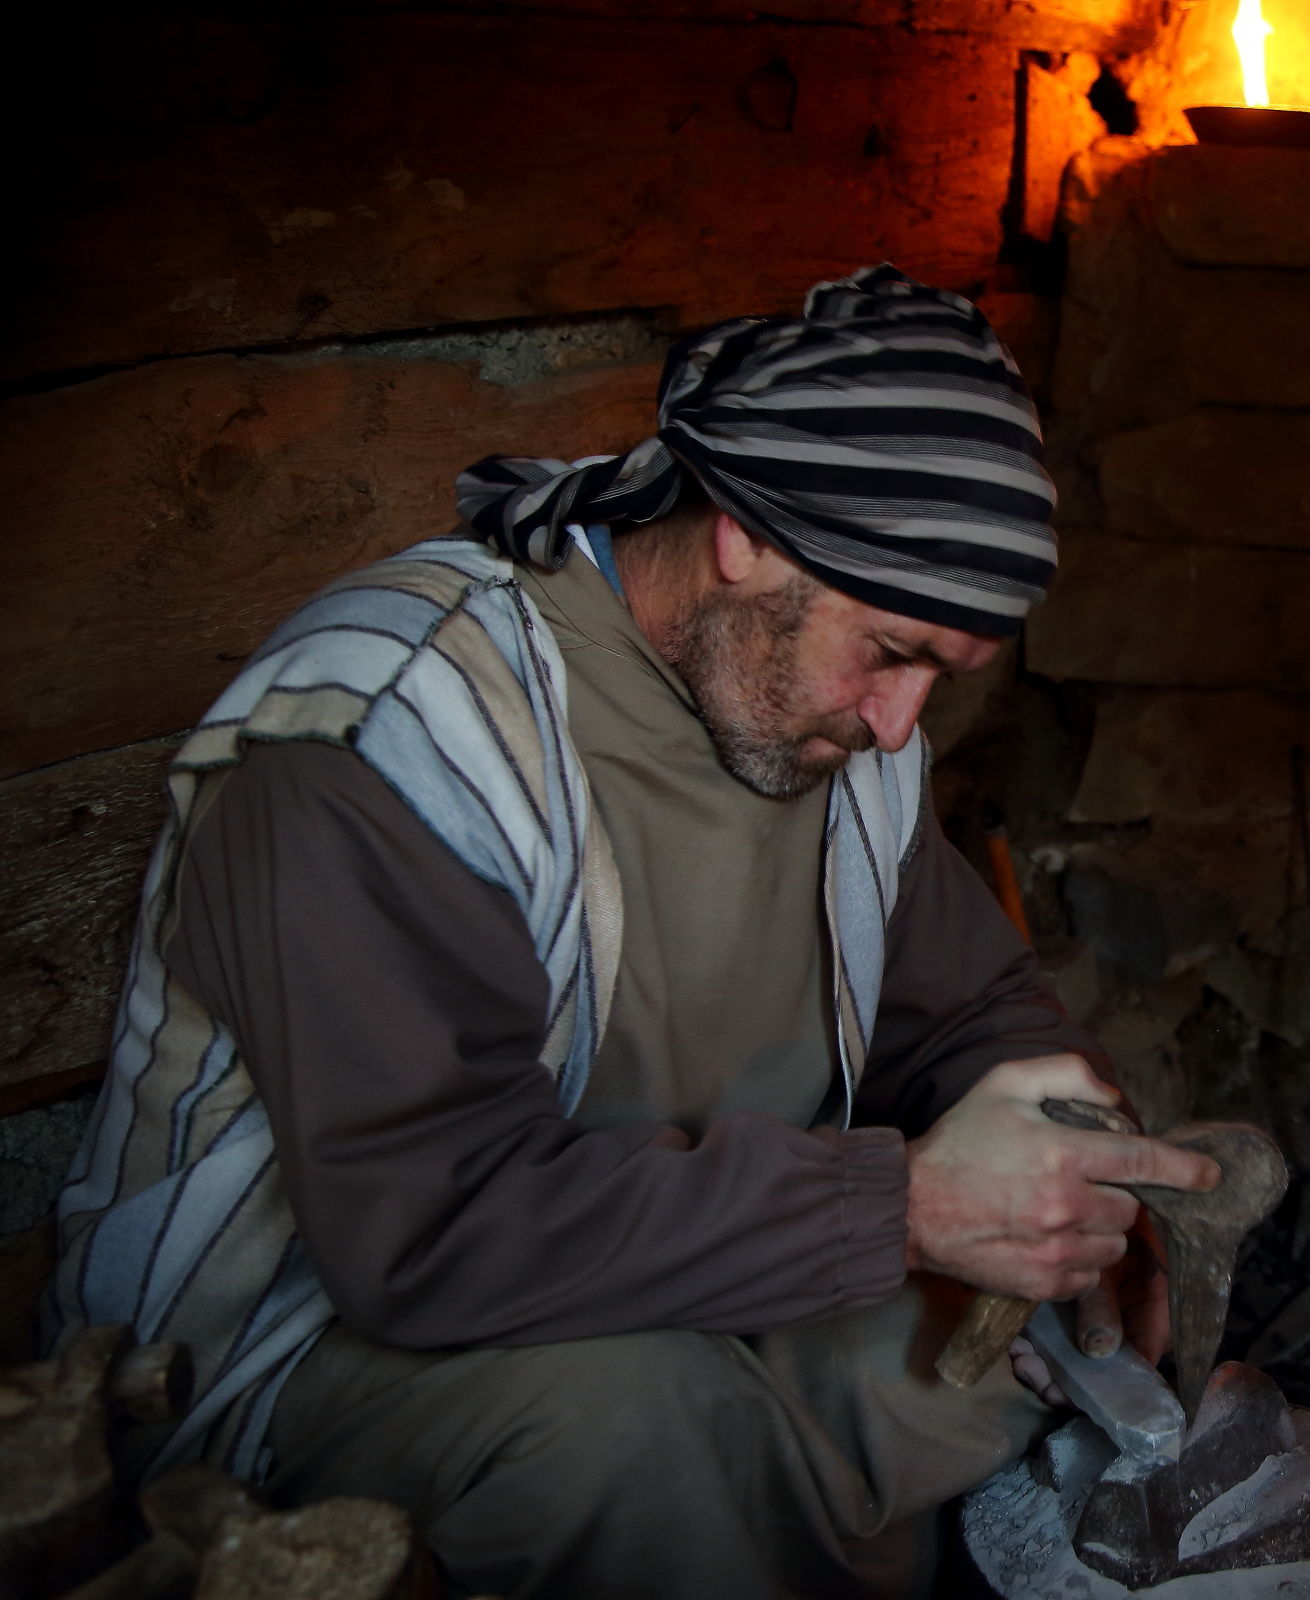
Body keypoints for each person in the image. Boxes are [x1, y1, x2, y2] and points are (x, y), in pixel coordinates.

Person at [46, 265, 1219, 1597]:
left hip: (685, 1250)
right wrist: (912, 1201)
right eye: (890, 654)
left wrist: (1073, 1189)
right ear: (748, 534)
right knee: (641, 1433)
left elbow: (963, 1009)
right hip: (300, 1336)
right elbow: (429, 1234)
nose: (901, 728)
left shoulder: (837, 718)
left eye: (942, 680)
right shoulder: (389, 735)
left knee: (1001, 1373)